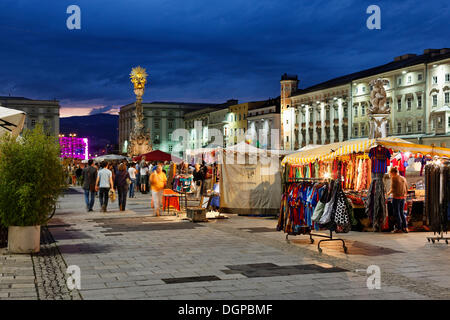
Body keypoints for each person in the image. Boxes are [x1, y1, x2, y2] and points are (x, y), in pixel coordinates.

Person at [387, 166, 409, 233]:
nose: (390, 174)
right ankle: (405, 227)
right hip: (403, 198)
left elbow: (393, 189)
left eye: (390, 173)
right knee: (402, 212)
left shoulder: (394, 178)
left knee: (397, 213)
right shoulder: (403, 178)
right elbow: (406, 187)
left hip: (396, 198)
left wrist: (387, 193)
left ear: (393, 172)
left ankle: (399, 228)